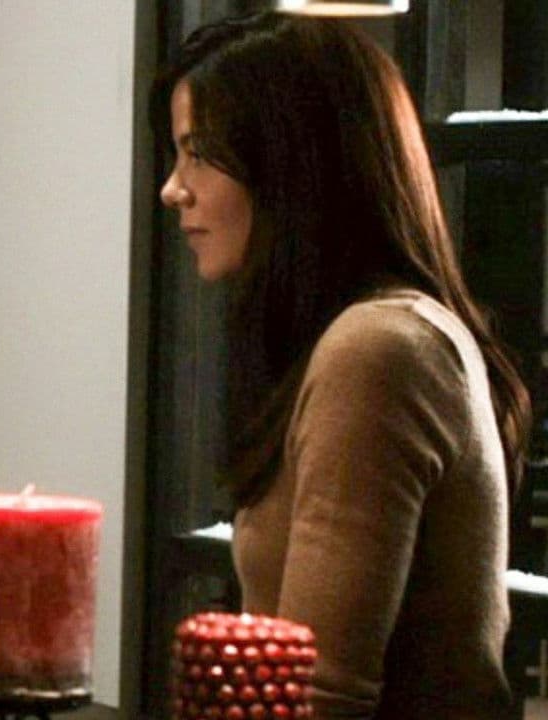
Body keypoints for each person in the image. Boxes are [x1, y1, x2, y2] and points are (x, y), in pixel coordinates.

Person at [154, 12, 531, 719]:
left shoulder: (378, 348)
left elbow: (320, 696)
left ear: (292, 163)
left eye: (198, 153)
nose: (173, 189)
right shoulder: (361, 337)